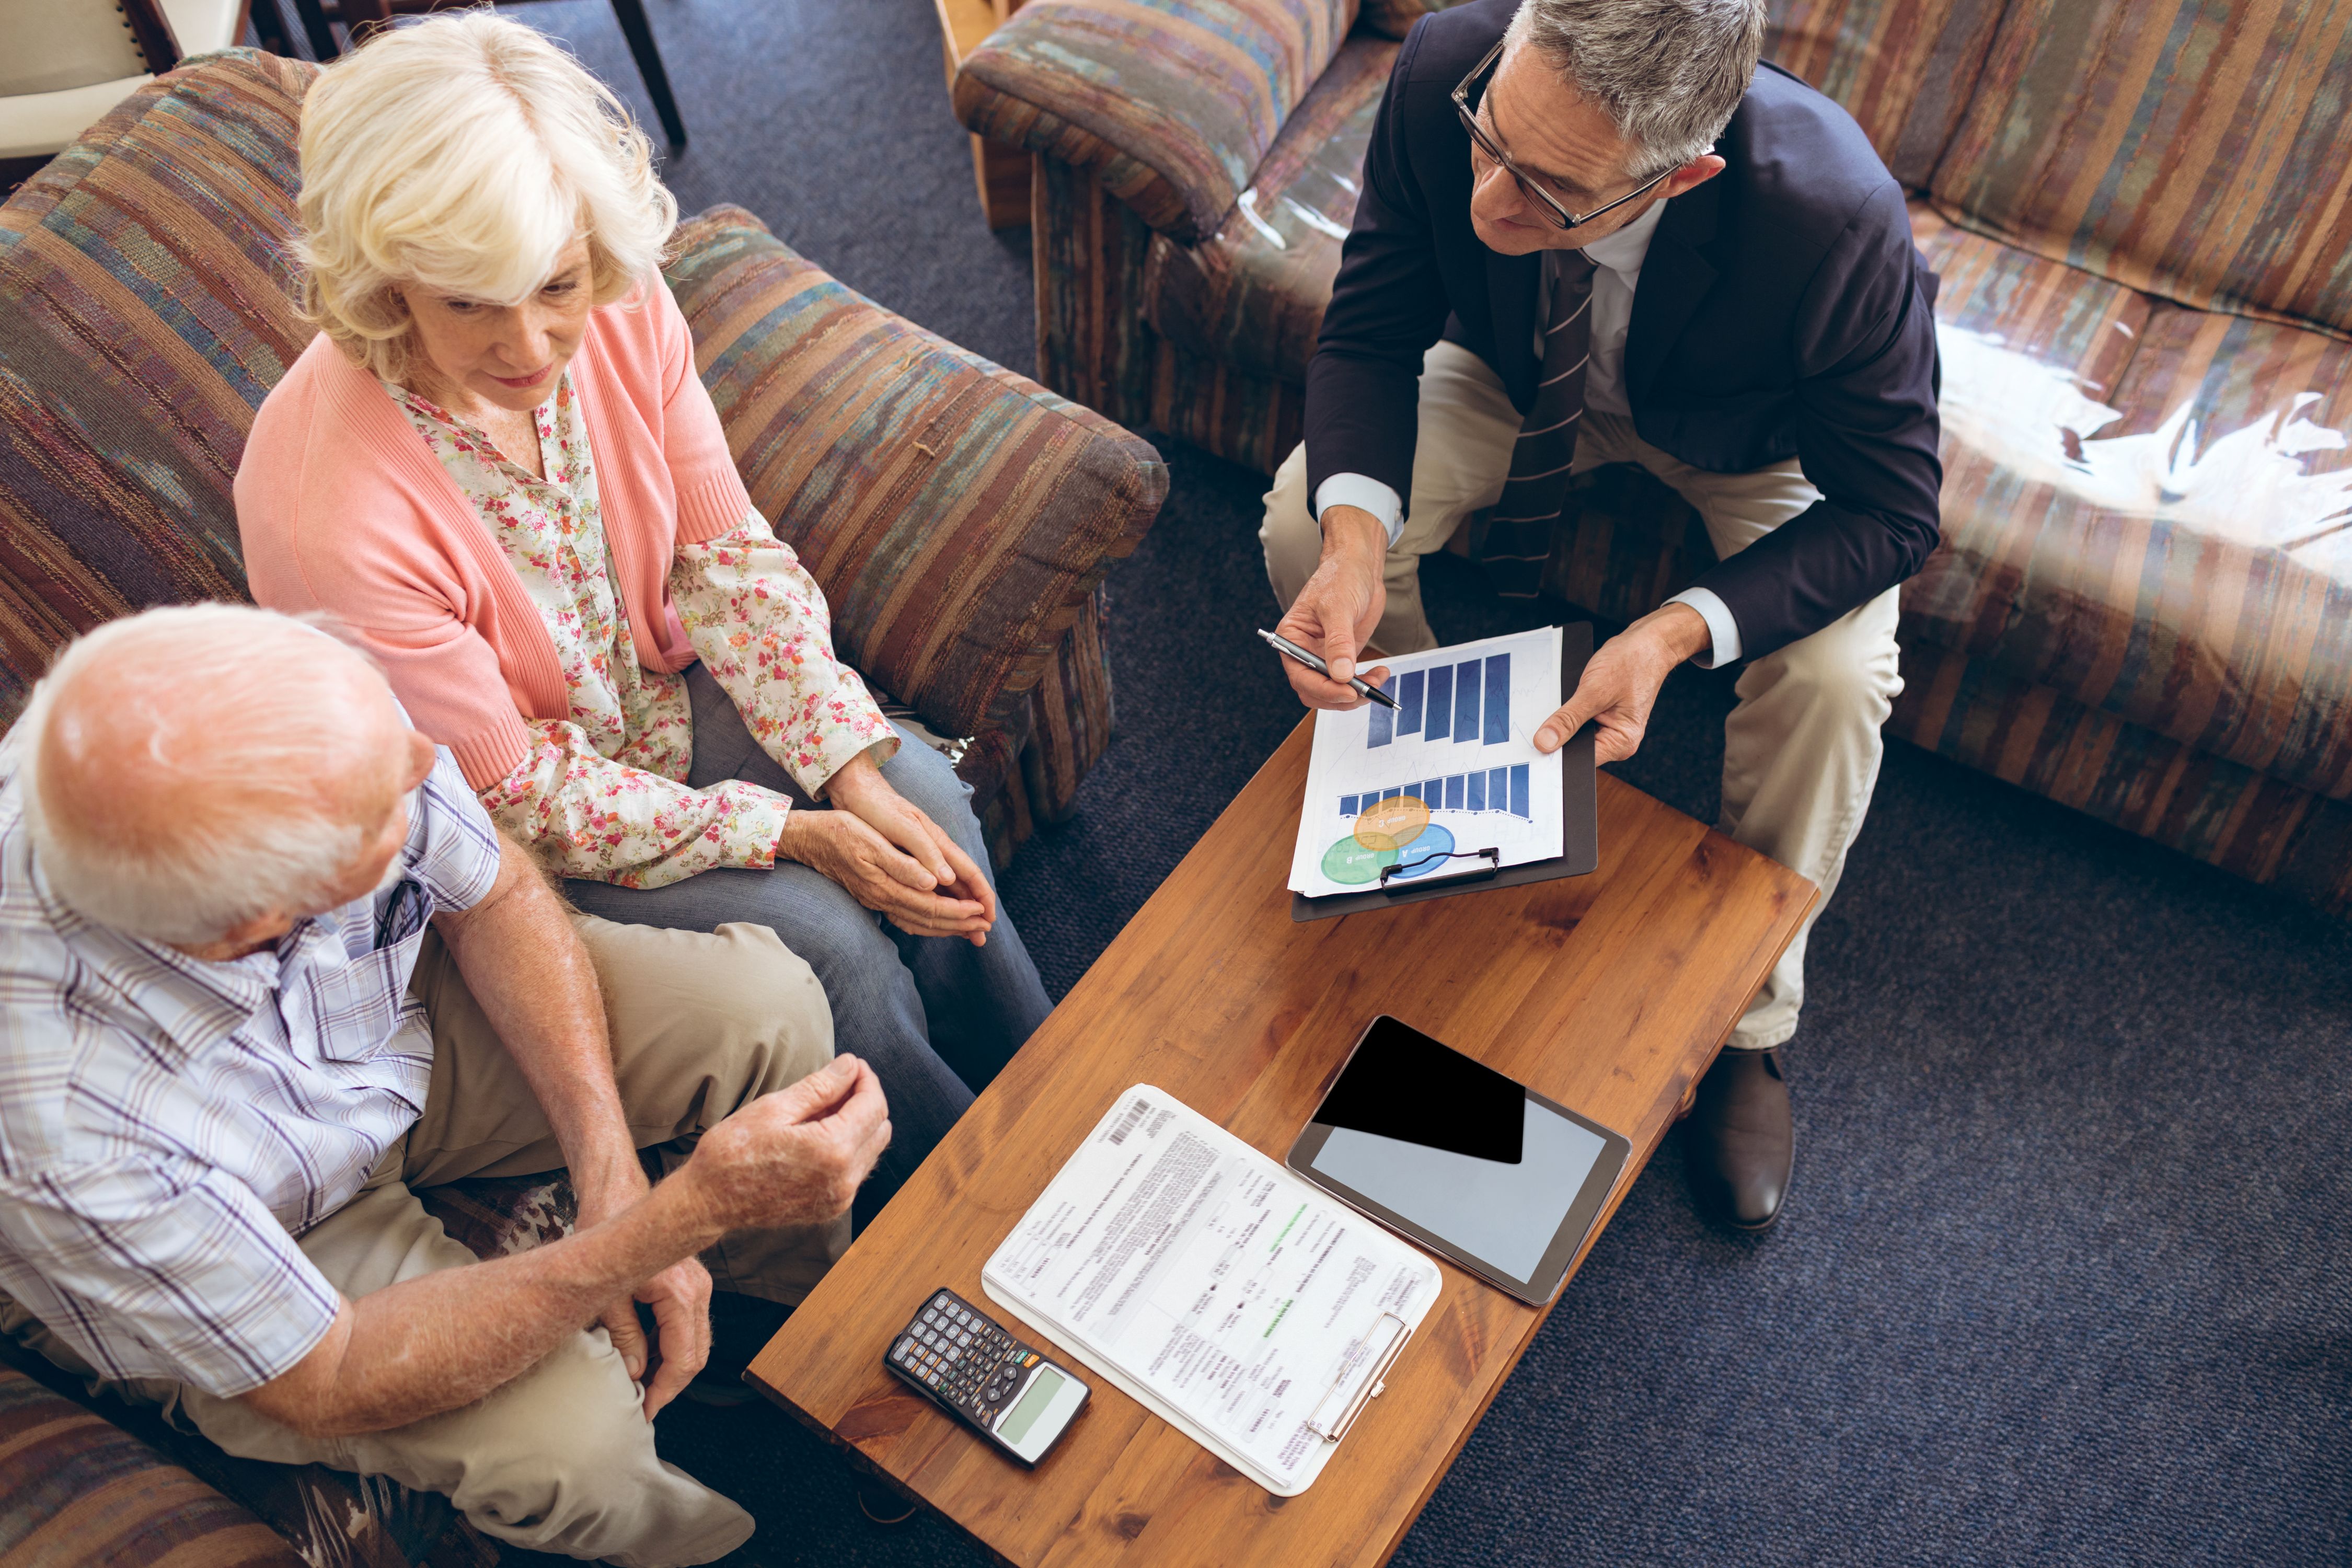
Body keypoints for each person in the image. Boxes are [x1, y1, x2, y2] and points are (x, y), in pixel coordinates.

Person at [236, 13, 1050, 1225]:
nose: (530, 345)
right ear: (387, 280)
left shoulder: (619, 297)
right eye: (471, 305)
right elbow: (514, 801)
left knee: (922, 798)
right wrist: (796, 832)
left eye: (557, 287)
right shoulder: (323, 509)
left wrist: (851, 769)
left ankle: (1059, 1097)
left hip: (654, 698)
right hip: (525, 837)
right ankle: (963, 1201)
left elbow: (723, 558)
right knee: (826, 943)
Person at [0, 605, 891, 1564]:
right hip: (266, 1240)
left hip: (381, 1030)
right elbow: (329, 1374)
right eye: (381, 817)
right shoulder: (58, 1128)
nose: (427, 759)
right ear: (253, 928)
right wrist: (675, 1219)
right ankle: (749, 1540)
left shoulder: (306, 708)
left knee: (762, 1011)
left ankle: (783, 1348)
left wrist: (607, 1166)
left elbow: (494, 891)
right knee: (575, 1451)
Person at [1264, 0, 1940, 1230]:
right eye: (1491, 139)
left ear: (1682, 177)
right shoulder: (1449, 65)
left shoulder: (1835, 217)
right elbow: (1369, 331)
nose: (1490, 201)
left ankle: (1750, 1021)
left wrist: (1671, 631)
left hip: (1752, 437)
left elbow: (1892, 511)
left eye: (1551, 189)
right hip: (1514, 370)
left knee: (1837, 681)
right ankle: (1428, 815)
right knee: (1304, 524)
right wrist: (1355, 545)